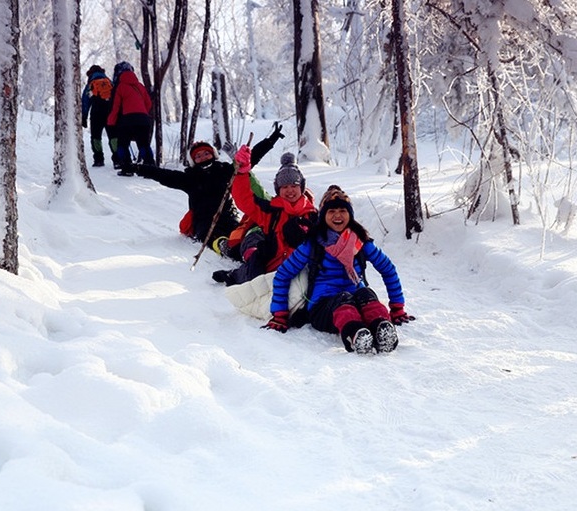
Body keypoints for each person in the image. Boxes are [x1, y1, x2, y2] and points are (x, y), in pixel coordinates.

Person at [265, 186, 414, 354]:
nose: (337, 215)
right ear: (323, 216)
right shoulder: (313, 244)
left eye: (343, 210)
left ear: (350, 215)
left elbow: (388, 270)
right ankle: (355, 334)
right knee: (344, 298)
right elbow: (283, 275)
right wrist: (280, 314)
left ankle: (382, 327)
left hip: (357, 301)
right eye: (332, 211)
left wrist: (397, 308)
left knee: (366, 294)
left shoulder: (360, 242)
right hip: (322, 308)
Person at [135, 124, 284, 250]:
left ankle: (251, 249)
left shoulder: (225, 170)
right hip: (204, 223)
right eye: (198, 156)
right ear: (193, 161)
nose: (202, 157)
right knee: (210, 236)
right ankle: (223, 248)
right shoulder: (189, 178)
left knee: (239, 233)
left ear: (213, 154)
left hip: (228, 216)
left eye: (206, 153)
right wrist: (139, 169)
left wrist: (270, 140)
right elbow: (163, 175)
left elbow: (251, 158)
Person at [211, 147, 317, 286]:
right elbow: (245, 200)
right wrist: (242, 173)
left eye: (294, 185)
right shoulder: (271, 210)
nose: (290, 190)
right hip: (271, 268)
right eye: (284, 187)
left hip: (300, 269)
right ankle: (234, 275)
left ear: (302, 187)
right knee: (255, 267)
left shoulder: (313, 215)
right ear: (278, 190)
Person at [107, 61, 154, 176]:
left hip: (127, 120)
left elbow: (116, 107)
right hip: (144, 120)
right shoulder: (140, 86)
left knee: (122, 144)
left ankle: (127, 168)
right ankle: (151, 168)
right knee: (143, 144)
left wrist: (111, 121)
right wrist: (141, 114)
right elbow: (148, 104)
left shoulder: (120, 87)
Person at [81, 65, 118, 167]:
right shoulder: (109, 82)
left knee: (96, 136)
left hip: (96, 113)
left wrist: (83, 116)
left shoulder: (91, 84)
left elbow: (85, 100)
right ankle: (117, 158)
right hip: (110, 112)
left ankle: (98, 159)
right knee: (113, 136)